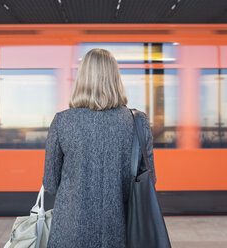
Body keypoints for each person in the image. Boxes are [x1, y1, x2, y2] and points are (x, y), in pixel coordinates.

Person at [42, 48, 157, 248]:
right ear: (115, 79)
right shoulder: (137, 121)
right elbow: (150, 180)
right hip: (122, 232)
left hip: (70, 234)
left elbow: (50, 184)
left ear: (82, 79)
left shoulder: (62, 121)